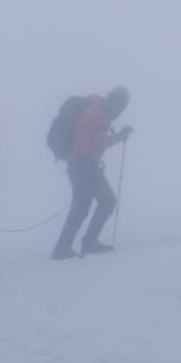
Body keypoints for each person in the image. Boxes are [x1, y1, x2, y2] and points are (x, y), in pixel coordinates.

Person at [53, 86, 132, 260]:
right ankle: (84, 243)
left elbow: (93, 139)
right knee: (106, 201)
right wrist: (118, 138)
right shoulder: (97, 111)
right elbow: (85, 141)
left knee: (82, 207)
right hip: (83, 165)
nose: (117, 107)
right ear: (110, 97)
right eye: (116, 101)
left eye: (121, 105)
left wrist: (117, 136)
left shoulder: (101, 113)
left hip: (82, 164)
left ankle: (65, 247)